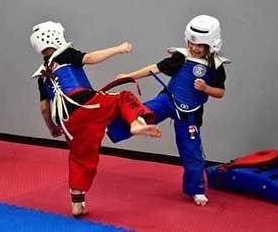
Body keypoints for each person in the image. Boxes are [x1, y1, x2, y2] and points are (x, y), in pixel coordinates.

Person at [29, 21, 161, 216]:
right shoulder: (65, 54)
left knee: (80, 158)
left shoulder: (42, 75)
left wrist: (52, 128)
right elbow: (90, 58)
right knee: (123, 98)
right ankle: (135, 123)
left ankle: (77, 203)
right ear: (56, 36)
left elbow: (44, 107)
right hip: (88, 102)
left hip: (69, 121)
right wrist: (118, 49)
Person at [107, 15, 230, 206]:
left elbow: (220, 92)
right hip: (168, 100)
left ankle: (196, 190)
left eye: (200, 46)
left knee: (192, 152)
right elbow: (154, 68)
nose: (194, 48)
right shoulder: (181, 57)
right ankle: (111, 128)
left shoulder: (216, 66)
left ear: (212, 45)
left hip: (190, 113)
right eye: (191, 43)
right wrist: (128, 76)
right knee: (143, 112)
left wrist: (206, 89)